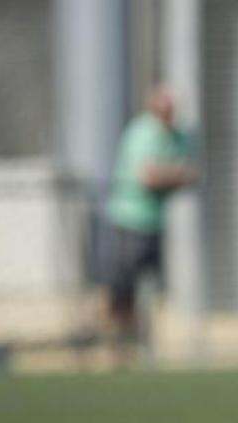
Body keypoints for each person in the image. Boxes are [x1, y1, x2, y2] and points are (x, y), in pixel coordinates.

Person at [102, 86, 196, 366]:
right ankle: (118, 348)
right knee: (122, 290)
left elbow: (189, 170)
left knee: (151, 289)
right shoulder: (141, 133)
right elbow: (150, 178)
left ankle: (144, 346)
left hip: (154, 222)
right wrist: (173, 175)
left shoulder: (175, 135)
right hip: (128, 221)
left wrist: (171, 175)